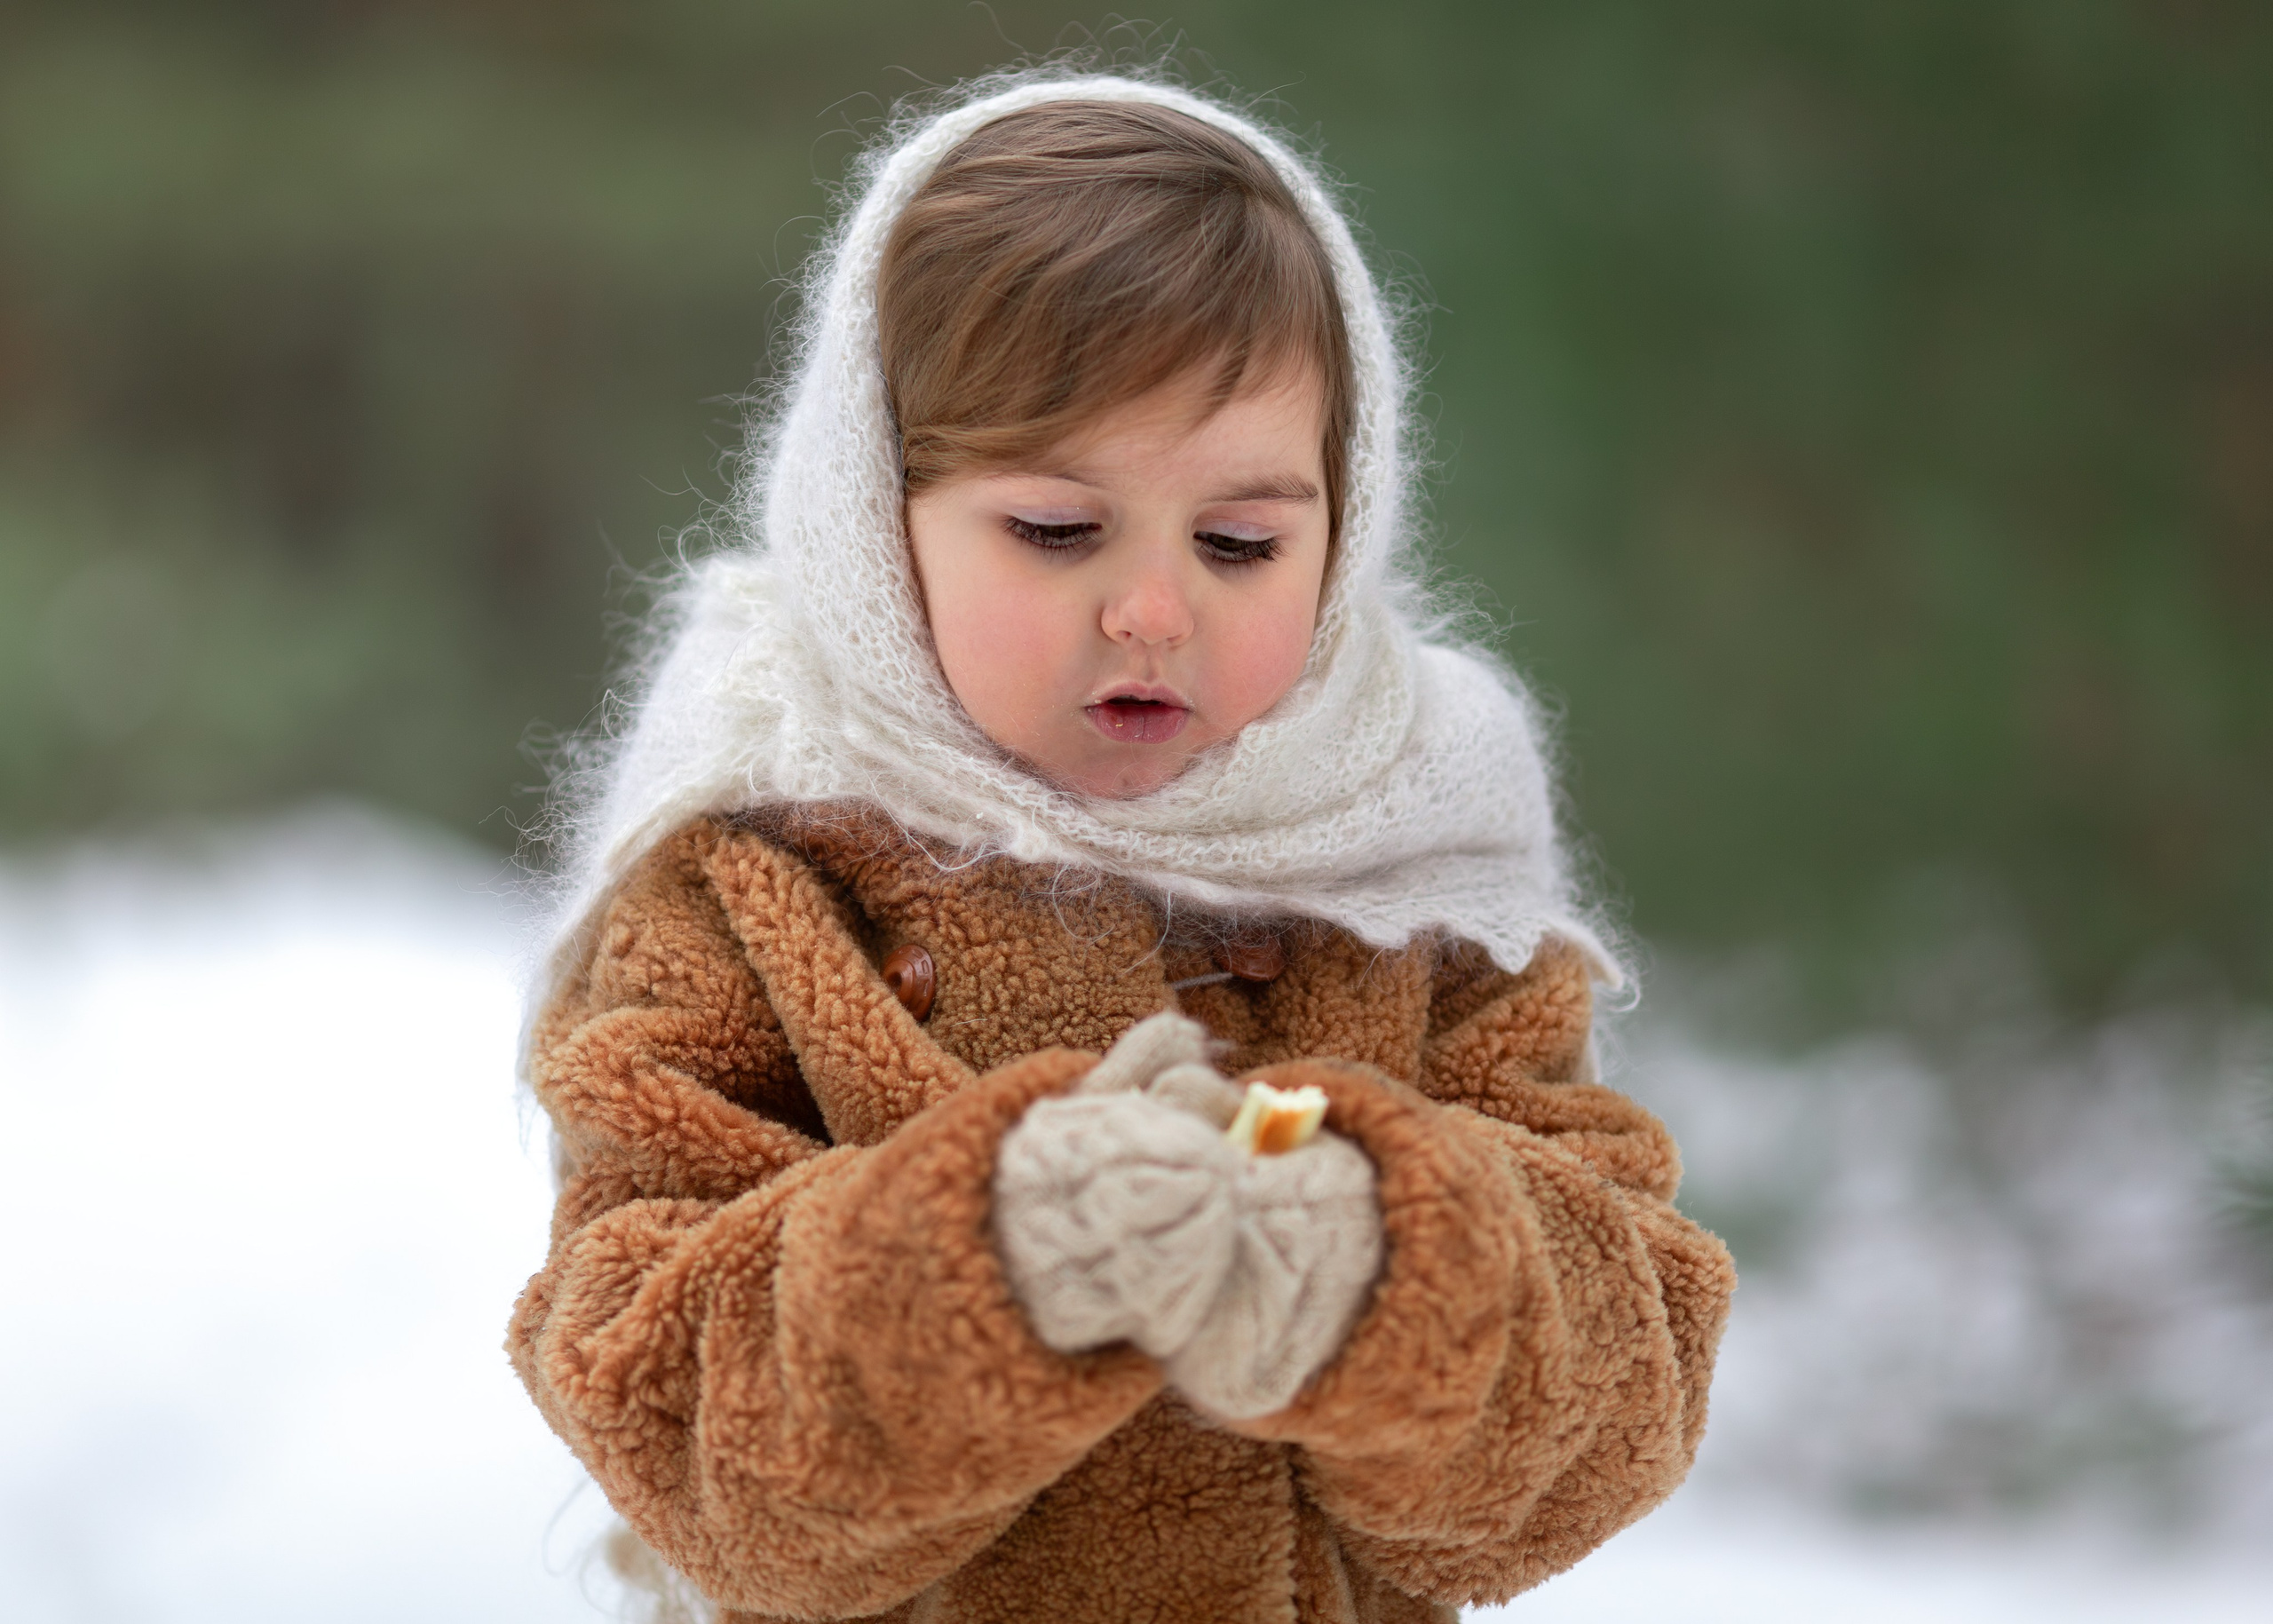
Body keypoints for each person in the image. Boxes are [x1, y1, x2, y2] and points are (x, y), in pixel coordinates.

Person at [508, 70, 1734, 1624]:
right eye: (1056, 529)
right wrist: (992, 1254)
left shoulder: (1415, 881)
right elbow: (656, 1388)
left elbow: (1626, 1386)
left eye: (1238, 544)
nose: (1154, 609)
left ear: (1342, 529)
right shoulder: (758, 870)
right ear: (876, 522)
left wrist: (1379, 1263)